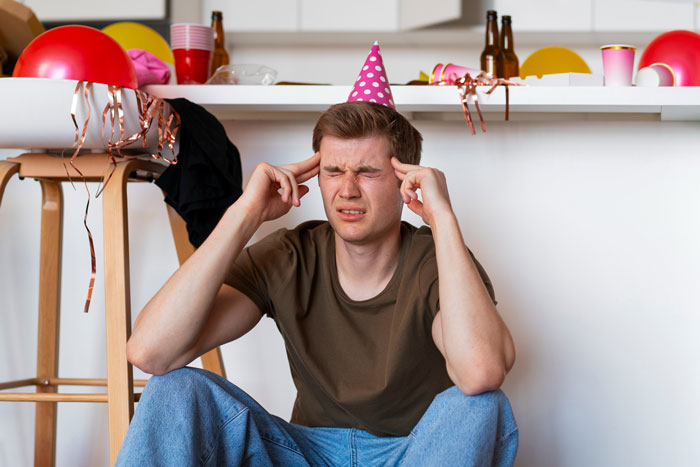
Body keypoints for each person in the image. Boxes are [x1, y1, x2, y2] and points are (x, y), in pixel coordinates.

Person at [116, 101, 518, 466]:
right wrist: (247, 213)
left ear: (405, 180)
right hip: (300, 454)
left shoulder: (438, 261)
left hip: (410, 454)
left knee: (482, 405)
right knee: (176, 388)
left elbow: (480, 372)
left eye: (368, 172)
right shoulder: (290, 254)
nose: (347, 190)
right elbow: (151, 352)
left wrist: (442, 216)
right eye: (333, 171)